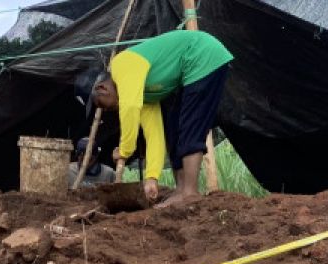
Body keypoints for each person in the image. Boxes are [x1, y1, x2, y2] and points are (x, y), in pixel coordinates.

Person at [89, 30, 233, 208]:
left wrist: (125, 150)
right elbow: (154, 136)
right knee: (172, 131)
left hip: (202, 56)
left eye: (102, 104)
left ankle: (189, 193)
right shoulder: (144, 93)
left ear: (102, 88)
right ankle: (181, 190)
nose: (107, 109)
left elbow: (130, 108)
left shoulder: (121, 64)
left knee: (191, 126)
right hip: (190, 70)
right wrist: (151, 177)